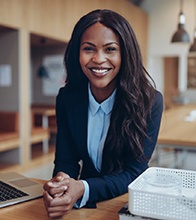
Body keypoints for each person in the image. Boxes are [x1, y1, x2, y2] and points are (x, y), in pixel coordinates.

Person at [43, 9, 163, 218]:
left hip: (125, 202)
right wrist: (61, 184)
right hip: (84, 204)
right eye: (89, 49)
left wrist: (82, 188)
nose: (99, 59)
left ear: (125, 54)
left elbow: (134, 172)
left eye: (110, 49)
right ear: (77, 54)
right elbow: (66, 159)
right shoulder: (67, 98)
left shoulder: (149, 102)